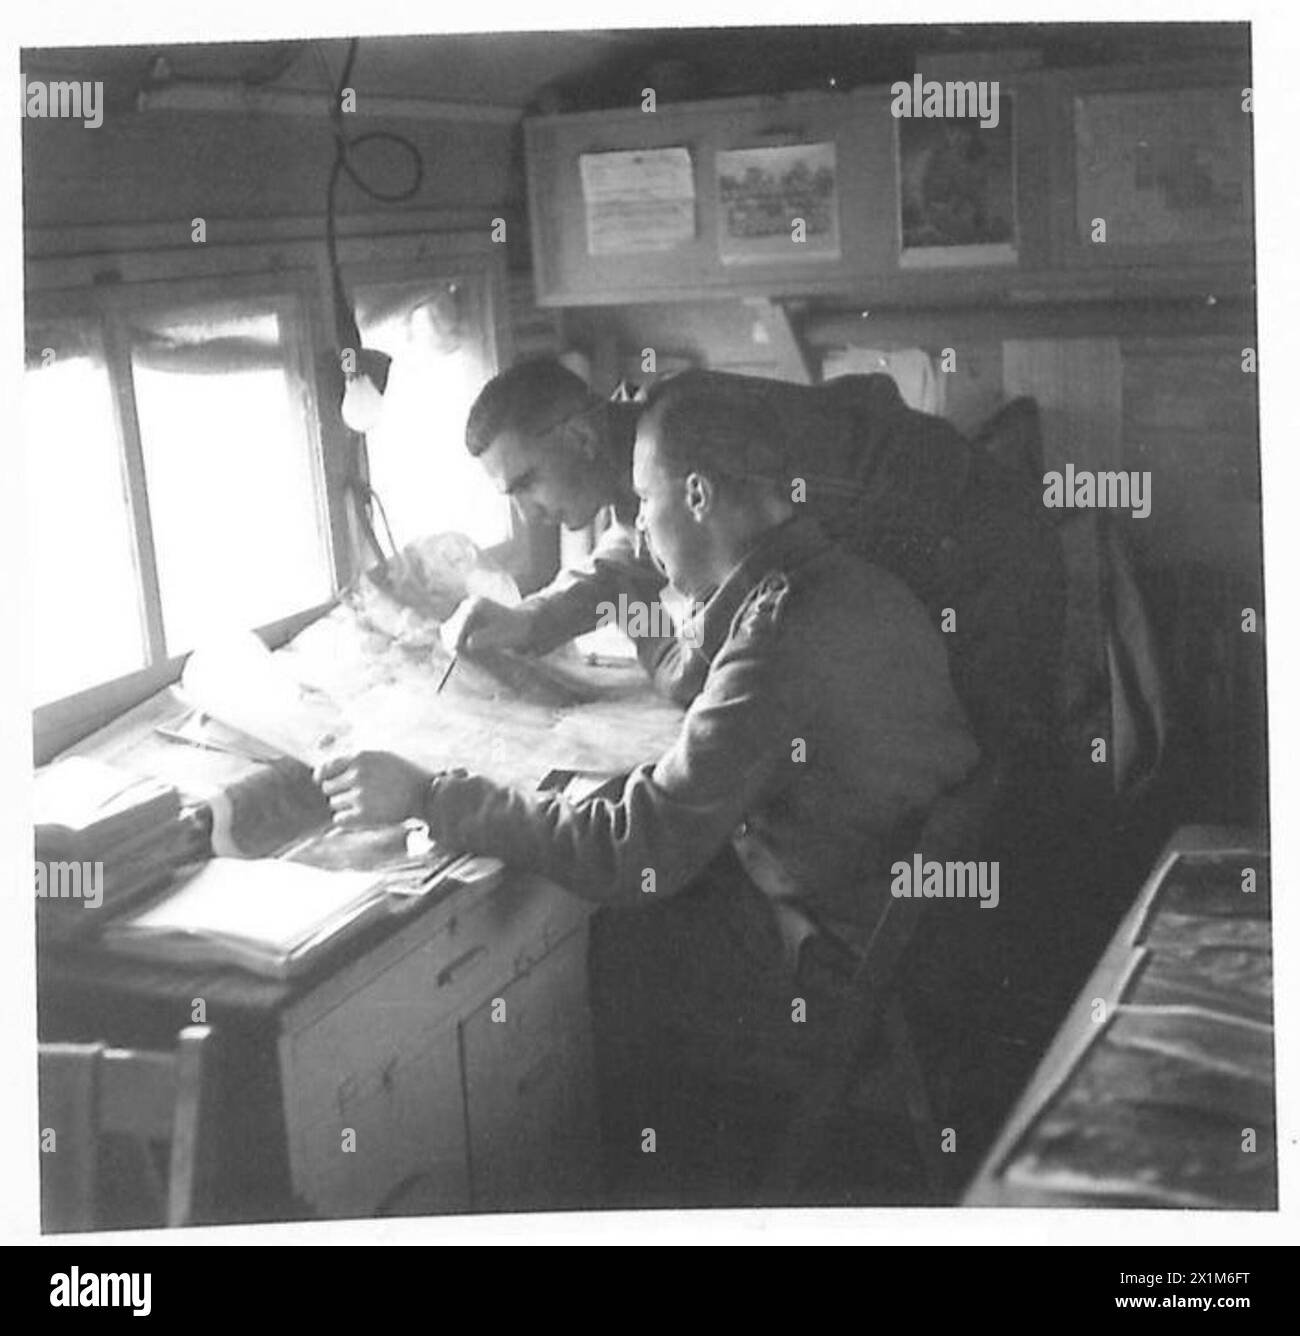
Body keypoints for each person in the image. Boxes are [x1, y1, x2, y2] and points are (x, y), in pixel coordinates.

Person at [316, 375, 980, 1203]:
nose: (634, 529)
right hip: (913, 922)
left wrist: (433, 798)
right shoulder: (842, 582)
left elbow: (636, 852)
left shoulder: (774, 642)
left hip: (845, 956)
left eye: (641, 500)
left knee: (597, 943)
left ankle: (656, 1192)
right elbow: (694, 748)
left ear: (697, 495)